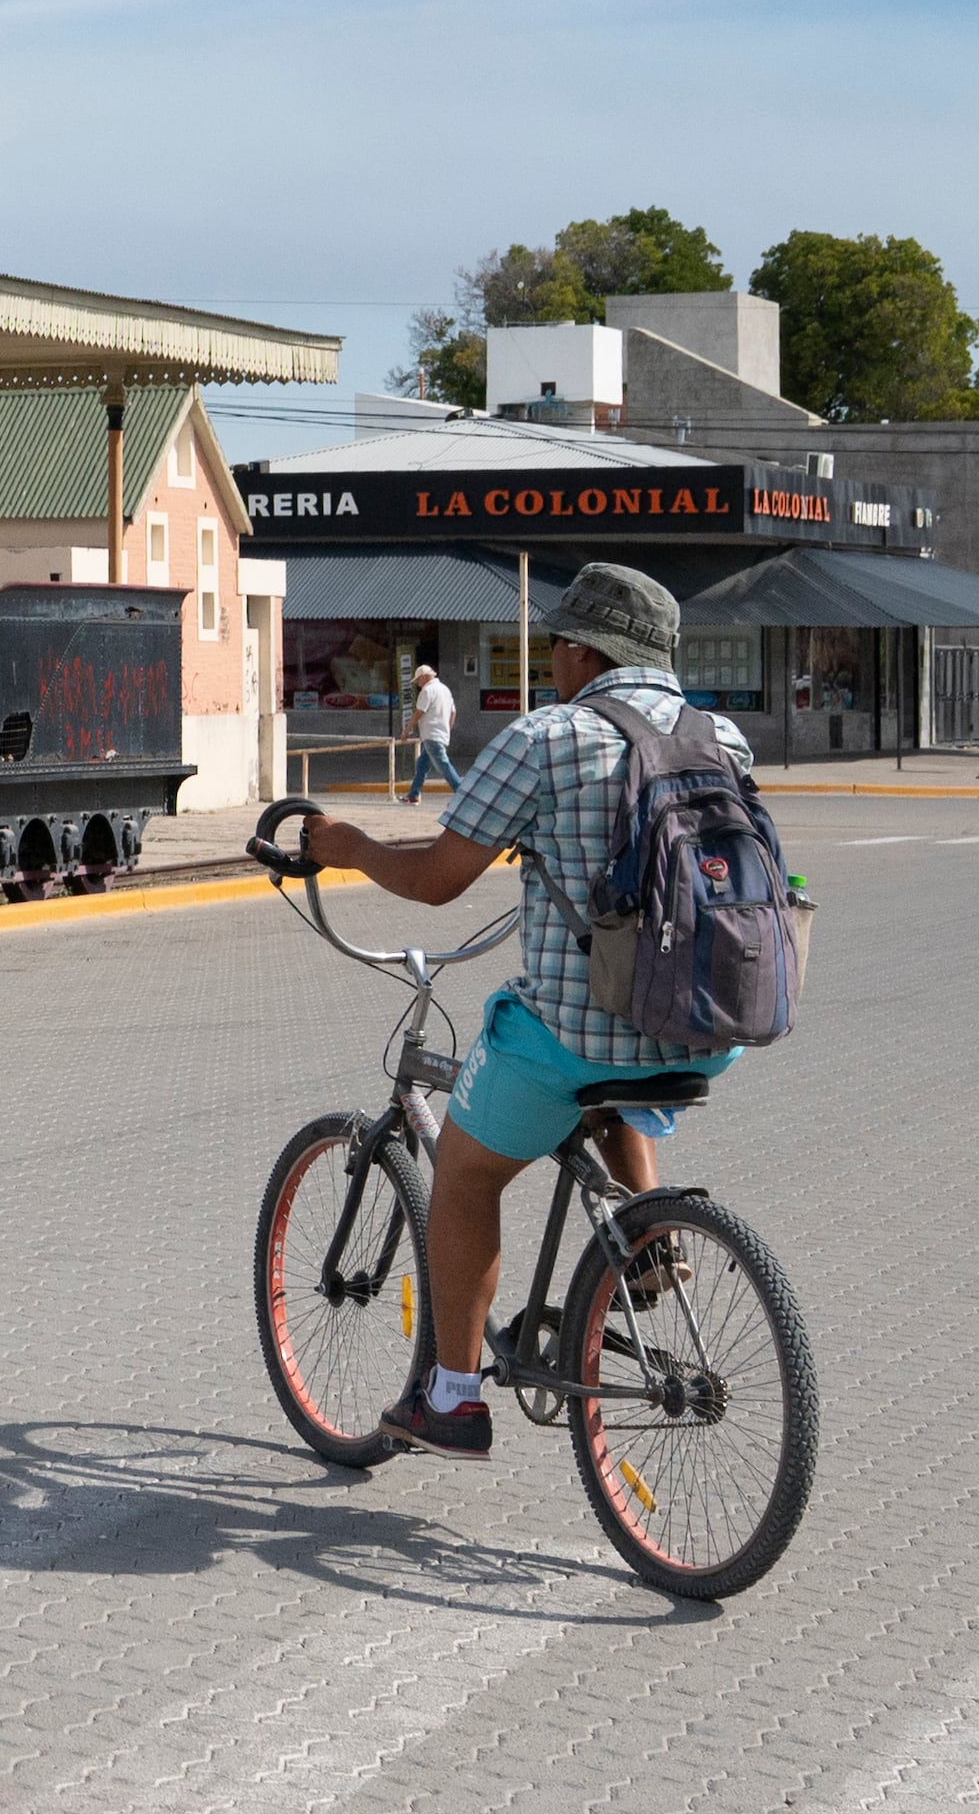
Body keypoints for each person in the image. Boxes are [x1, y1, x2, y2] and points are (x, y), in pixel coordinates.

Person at [298, 560, 747, 1459]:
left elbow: (434, 880)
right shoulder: (721, 736)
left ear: (584, 651)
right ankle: (648, 1234)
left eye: (555, 645)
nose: (550, 661)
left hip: (578, 1035)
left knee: (465, 1174)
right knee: (617, 1067)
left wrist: (347, 845)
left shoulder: (548, 736)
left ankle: (453, 1400)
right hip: (703, 1022)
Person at [400, 652, 461, 802]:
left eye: (418, 680)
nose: (418, 684)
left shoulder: (428, 690)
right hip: (440, 733)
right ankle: (413, 794)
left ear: (424, 677)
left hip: (431, 734)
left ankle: (461, 792)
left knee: (443, 765)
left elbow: (419, 712)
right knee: (422, 765)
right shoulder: (445, 689)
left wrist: (406, 730)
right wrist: (447, 729)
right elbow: (453, 712)